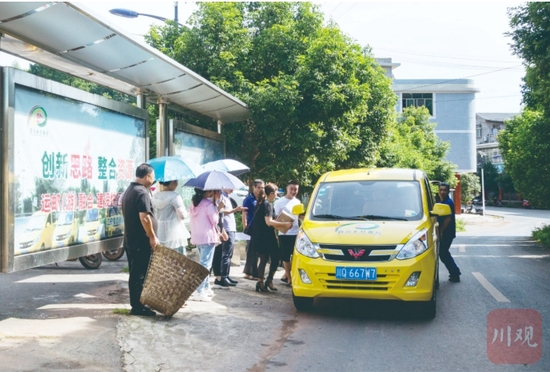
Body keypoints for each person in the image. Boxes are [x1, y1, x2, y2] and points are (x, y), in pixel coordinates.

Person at [121, 163, 159, 317]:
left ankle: (138, 303)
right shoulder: (141, 192)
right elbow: (144, 218)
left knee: (136, 273)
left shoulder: (130, 190)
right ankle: (137, 306)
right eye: (153, 176)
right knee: (140, 274)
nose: (154, 179)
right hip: (140, 241)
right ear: (148, 176)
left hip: (131, 240)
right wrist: (152, 236)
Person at [250, 183, 293, 292]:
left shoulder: (260, 203)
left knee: (264, 259)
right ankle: (269, 280)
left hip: (260, 236)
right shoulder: (267, 204)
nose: (277, 195)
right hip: (266, 237)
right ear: (272, 193)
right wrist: (285, 224)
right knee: (276, 257)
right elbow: (269, 222)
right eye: (276, 193)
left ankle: (260, 282)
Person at [189, 188, 224, 302]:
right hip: (207, 237)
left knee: (204, 262)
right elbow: (215, 221)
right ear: (209, 192)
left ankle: (206, 287)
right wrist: (217, 209)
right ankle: (199, 291)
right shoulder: (208, 204)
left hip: (197, 236)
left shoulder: (194, 204)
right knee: (205, 265)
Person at [213, 189, 247, 288]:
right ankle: (223, 277)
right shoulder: (221, 196)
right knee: (225, 254)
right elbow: (220, 211)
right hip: (226, 228)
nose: (232, 189)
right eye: (230, 187)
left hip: (230, 228)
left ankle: (226, 275)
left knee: (228, 254)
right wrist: (235, 210)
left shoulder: (227, 196)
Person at [151, 180, 190, 255]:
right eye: (176, 182)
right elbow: (182, 216)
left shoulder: (155, 196)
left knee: (164, 258)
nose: (177, 184)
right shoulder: (175, 196)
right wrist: (186, 212)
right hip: (174, 232)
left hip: (159, 231)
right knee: (179, 259)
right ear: (172, 183)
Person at [274, 180, 301, 285]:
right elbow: (275, 218)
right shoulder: (280, 202)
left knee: (295, 256)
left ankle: (286, 275)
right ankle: (289, 278)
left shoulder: (297, 202)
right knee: (285, 256)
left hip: (296, 232)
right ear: (287, 189)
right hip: (284, 233)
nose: (293, 191)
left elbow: (299, 216)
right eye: (291, 189)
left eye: (296, 189)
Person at [437, 182, 461, 283]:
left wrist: (441, 231)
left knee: (443, 253)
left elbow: (448, 219)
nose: (442, 192)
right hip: (445, 233)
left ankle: (455, 273)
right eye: (441, 190)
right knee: (444, 253)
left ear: (448, 191)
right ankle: (454, 272)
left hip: (447, 233)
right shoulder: (442, 202)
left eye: (444, 190)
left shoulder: (448, 202)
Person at [242, 179, 264, 280]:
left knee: (256, 251)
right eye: (259, 187)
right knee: (251, 251)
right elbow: (244, 214)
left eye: (262, 187)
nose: (261, 189)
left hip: (259, 229)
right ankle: (249, 273)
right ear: (253, 187)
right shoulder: (248, 199)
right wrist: (244, 227)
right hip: (251, 228)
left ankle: (253, 273)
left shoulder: (261, 198)